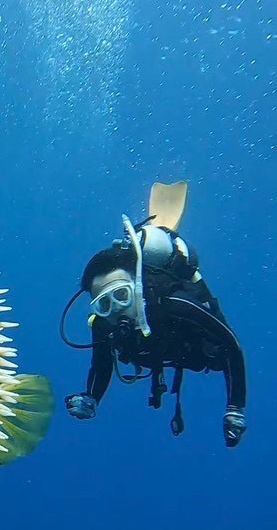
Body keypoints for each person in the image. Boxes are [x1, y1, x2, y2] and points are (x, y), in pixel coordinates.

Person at [60, 180, 247, 447]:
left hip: (191, 348)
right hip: (158, 352)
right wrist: (90, 398)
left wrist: (235, 408)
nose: (116, 310)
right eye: (104, 304)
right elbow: (101, 365)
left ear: (136, 287)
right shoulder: (103, 324)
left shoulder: (174, 304)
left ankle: (160, 233)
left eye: (122, 295)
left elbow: (231, 345)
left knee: (214, 355)